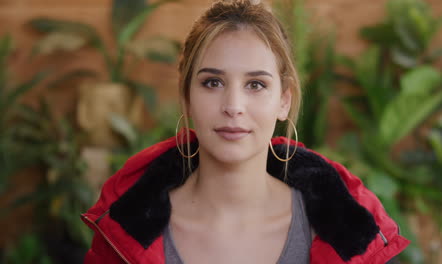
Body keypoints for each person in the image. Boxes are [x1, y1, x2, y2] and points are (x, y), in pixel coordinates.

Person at [81, 0, 410, 263]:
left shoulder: (352, 235)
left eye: (256, 84)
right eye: (213, 82)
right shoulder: (123, 232)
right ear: (186, 97)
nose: (233, 105)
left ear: (284, 101)